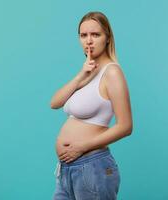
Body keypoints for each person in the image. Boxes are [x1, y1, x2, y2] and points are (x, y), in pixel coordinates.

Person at [50, 11, 133, 200]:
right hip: (66, 170)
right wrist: (81, 76)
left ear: (107, 39)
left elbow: (126, 126)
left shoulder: (112, 73)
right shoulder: (87, 73)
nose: (89, 41)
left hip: (92, 168)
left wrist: (82, 147)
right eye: (83, 35)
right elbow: (54, 103)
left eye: (95, 35)